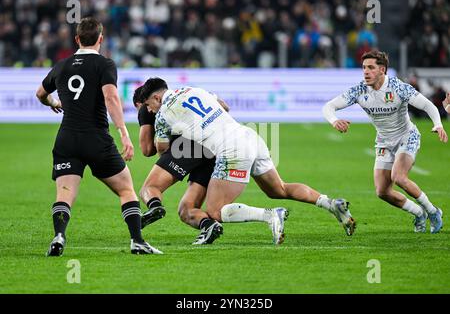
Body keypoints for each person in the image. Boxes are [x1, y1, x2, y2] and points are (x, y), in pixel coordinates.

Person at [140, 78, 356, 245]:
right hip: (249, 136)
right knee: (279, 189)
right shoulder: (194, 90)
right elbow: (224, 106)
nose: (150, 110)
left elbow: (160, 149)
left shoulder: (163, 113)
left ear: (157, 98)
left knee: (215, 211)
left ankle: (271, 216)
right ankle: (331, 203)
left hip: (231, 150)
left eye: (149, 105)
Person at [35, 17, 162, 256]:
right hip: (96, 139)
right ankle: (137, 241)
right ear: (100, 39)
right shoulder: (104, 64)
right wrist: (124, 132)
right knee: (126, 190)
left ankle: (59, 236)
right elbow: (111, 98)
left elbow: (40, 93)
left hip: (67, 139)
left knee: (64, 193)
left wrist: (53, 102)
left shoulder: (62, 65)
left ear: (76, 39)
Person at [322, 49, 447, 234]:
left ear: (382, 70)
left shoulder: (398, 87)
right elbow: (329, 106)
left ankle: (433, 211)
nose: (366, 72)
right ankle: (419, 212)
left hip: (407, 136)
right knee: (382, 191)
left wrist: (438, 125)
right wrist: (334, 120)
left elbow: (428, 105)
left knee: (399, 177)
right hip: (384, 142)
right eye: (364, 67)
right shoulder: (359, 90)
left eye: (371, 67)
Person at [132, 85, 223, 245]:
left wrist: (150, 125)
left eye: (145, 108)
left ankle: (154, 206)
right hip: (214, 148)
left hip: (187, 146)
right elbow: (224, 106)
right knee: (186, 210)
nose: (148, 111)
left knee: (149, 189)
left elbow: (148, 150)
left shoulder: (150, 111)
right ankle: (208, 225)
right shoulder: (189, 92)